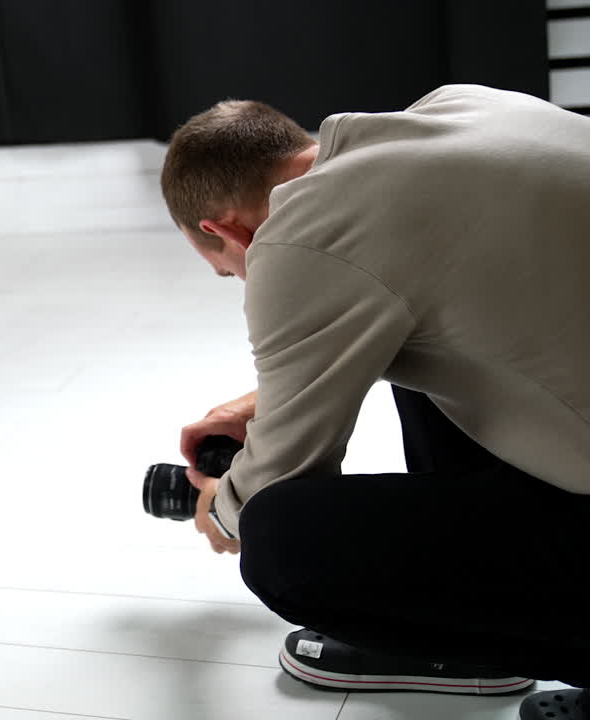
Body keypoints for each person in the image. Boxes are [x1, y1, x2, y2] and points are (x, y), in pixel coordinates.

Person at [160, 85, 590, 718]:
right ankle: (475, 634)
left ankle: (478, 637)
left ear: (223, 230)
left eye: (230, 269)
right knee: (412, 349)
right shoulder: (463, 108)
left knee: (283, 538)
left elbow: (279, 476)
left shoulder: (296, 239)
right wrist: (264, 402)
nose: (244, 278)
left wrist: (219, 511)